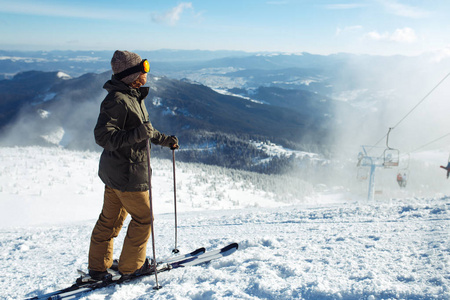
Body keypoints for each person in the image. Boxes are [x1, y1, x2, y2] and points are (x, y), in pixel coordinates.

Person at [88, 50, 179, 281]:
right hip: (128, 175)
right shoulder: (117, 100)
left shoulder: (132, 96)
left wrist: (164, 140)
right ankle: (131, 267)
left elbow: (144, 131)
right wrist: (138, 134)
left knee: (109, 220)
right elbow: (103, 137)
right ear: (131, 74)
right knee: (144, 219)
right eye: (143, 69)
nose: (146, 74)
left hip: (115, 174)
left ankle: (98, 267)